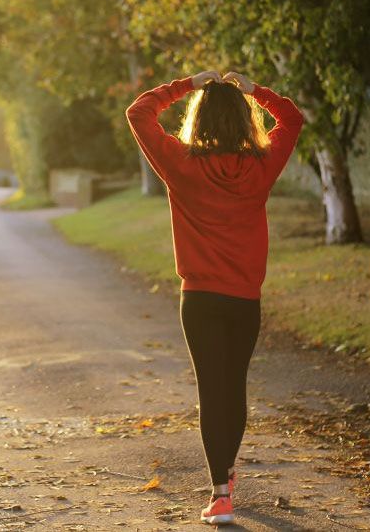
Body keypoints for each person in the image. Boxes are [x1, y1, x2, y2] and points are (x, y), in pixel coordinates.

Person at [125, 70, 303, 525]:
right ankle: (225, 475)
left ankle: (220, 492)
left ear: (198, 120)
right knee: (234, 386)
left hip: (200, 299)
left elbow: (139, 112)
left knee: (211, 389)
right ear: (245, 121)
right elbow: (292, 118)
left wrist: (187, 84)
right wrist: (255, 90)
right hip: (244, 299)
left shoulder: (180, 164)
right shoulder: (261, 165)